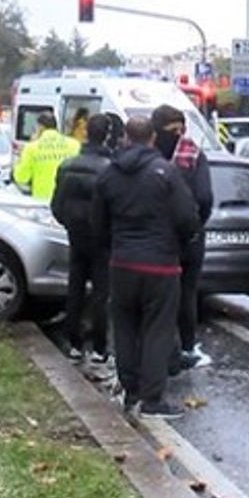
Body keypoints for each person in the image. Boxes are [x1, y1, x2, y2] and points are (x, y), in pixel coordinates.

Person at [93, 117, 198, 419]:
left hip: (122, 262)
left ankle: (131, 391)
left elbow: (97, 225)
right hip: (161, 266)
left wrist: (113, 248)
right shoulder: (166, 172)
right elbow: (187, 218)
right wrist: (178, 245)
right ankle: (153, 399)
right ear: (152, 138)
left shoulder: (109, 175)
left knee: (124, 327)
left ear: (125, 138)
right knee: (157, 331)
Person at [151, 105, 214, 371]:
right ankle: (186, 346)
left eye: (181, 130)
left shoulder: (147, 158)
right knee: (186, 294)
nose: (179, 135)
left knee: (163, 294)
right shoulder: (194, 155)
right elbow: (204, 198)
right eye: (174, 130)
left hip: (159, 238)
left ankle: (166, 346)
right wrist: (196, 225)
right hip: (189, 237)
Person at [51, 114, 113, 380]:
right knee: (101, 293)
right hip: (103, 239)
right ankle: (99, 347)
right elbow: (114, 207)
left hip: (76, 235)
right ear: (107, 134)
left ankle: (74, 342)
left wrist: (69, 223)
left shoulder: (67, 166)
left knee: (74, 288)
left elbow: (57, 205)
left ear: (86, 133)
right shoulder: (110, 169)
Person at [15, 111, 80, 200]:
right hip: (66, 202)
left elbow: (21, 177)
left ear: (40, 127)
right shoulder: (74, 145)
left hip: (42, 202)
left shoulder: (32, 147)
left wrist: (20, 158)